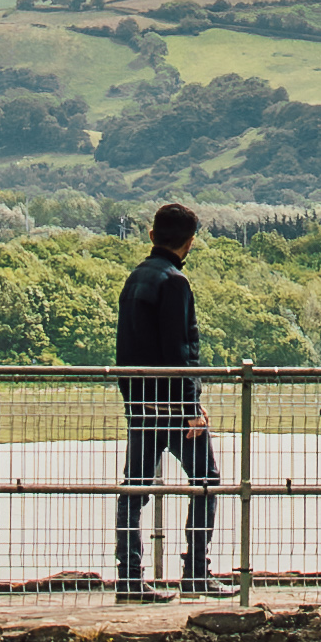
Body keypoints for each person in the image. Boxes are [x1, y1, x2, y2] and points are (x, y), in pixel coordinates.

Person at [110, 204, 215, 598]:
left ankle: (129, 578)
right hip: (171, 405)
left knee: (134, 487)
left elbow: (126, 347)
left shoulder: (135, 277)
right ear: (190, 242)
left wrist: (131, 397)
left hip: (139, 402)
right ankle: (196, 572)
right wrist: (191, 408)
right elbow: (180, 351)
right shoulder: (175, 282)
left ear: (152, 236)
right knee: (207, 481)